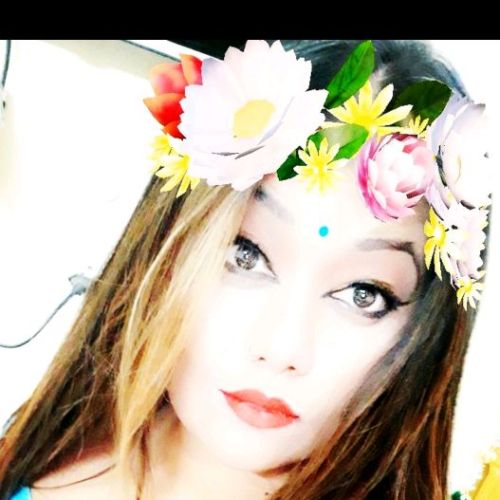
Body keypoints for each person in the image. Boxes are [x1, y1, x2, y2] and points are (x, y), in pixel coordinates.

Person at [0, 39, 493, 500]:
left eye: (364, 294)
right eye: (246, 255)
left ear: (425, 336)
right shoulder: (32, 455)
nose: (282, 349)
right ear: (167, 244)